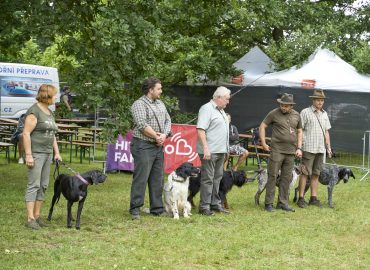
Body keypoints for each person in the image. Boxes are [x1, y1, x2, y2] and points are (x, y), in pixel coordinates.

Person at [129, 77, 172, 220]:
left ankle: (157, 209)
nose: (161, 91)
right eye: (159, 88)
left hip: (158, 146)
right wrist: (156, 136)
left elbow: (168, 120)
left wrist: (164, 135)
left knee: (157, 179)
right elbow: (141, 124)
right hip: (143, 145)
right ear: (150, 90)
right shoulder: (139, 104)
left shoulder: (160, 103)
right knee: (141, 178)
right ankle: (135, 209)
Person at [23, 84, 62, 230]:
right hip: (36, 153)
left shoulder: (49, 112)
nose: (56, 97)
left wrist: (56, 153)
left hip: (47, 154)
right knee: (34, 184)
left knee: (44, 185)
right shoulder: (34, 112)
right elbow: (26, 134)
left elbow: (52, 135)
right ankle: (30, 219)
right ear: (47, 96)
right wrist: (29, 155)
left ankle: (37, 216)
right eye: (54, 95)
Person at [259, 93, 303, 212]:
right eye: (281, 105)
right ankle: (268, 203)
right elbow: (262, 126)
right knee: (272, 176)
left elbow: (299, 132)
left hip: (291, 152)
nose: (283, 107)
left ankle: (283, 203)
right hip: (277, 150)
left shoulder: (297, 115)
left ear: (291, 106)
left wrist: (299, 148)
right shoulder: (273, 113)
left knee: (286, 178)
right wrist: (263, 143)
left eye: (286, 106)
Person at [196, 86, 231, 216]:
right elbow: (200, 129)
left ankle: (215, 204)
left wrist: (226, 149)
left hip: (220, 151)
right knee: (208, 179)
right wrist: (206, 148)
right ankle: (204, 206)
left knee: (217, 178)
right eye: (226, 99)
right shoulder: (207, 109)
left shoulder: (221, 111)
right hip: (210, 151)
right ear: (218, 98)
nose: (228, 102)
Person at [297, 89, 332, 208]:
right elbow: (299, 130)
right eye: (318, 100)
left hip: (320, 149)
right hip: (308, 147)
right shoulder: (305, 112)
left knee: (316, 174)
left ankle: (313, 198)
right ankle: (301, 198)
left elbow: (326, 132)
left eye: (322, 100)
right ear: (313, 100)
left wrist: (329, 148)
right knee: (305, 173)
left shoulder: (325, 114)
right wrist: (299, 147)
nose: (320, 102)